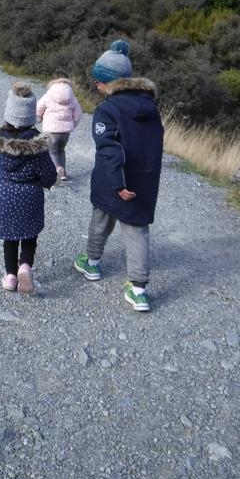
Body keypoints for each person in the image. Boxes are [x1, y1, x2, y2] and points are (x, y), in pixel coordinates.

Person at [74, 40, 163, 312]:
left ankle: (92, 263)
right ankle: (139, 291)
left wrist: (117, 184)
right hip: (144, 181)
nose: (96, 85)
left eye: (98, 81)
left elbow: (109, 150)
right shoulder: (150, 107)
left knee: (101, 219)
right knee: (137, 231)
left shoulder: (107, 110)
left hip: (113, 181)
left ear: (109, 82)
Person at [0, 82, 57, 294]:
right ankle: (25, 266)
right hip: (30, 196)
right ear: (30, 116)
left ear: (9, 113)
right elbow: (49, 175)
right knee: (29, 235)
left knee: (9, 238)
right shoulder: (37, 148)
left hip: (3, 194)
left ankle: (9, 277)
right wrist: (45, 183)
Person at [36, 70, 83, 181]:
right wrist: (72, 125)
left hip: (51, 130)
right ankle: (63, 173)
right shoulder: (71, 96)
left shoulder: (49, 94)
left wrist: (39, 117)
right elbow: (78, 114)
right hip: (65, 132)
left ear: (53, 80)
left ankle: (55, 171)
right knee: (61, 150)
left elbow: (38, 108)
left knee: (51, 151)